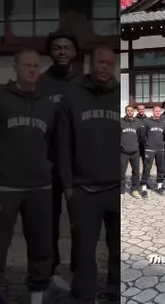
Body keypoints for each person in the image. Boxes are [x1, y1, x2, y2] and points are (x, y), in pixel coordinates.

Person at [0, 50, 56, 304]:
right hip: (4, 186)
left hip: (40, 187)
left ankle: (36, 296)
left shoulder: (47, 102)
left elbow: (52, 141)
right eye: (26, 65)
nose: (32, 69)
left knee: (41, 245)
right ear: (16, 68)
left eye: (36, 65)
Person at [57, 46, 120, 303]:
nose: (104, 67)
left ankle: (115, 291)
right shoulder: (72, 95)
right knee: (83, 252)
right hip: (84, 191)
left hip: (117, 189)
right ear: (90, 65)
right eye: (99, 63)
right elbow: (63, 143)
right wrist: (68, 186)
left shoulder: (121, 97)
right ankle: (83, 297)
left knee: (118, 250)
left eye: (108, 63)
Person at [36, 30, 80, 276]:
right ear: (50, 52)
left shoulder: (83, 83)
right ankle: (49, 270)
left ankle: (78, 269)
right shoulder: (41, 83)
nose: (62, 52)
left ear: (74, 52)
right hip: (47, 162)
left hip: (77, 163)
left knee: (80, 221)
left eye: (66, 48)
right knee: (48, 221)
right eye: (57, 48)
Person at [141, 106, 165, 195]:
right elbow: (143, 136)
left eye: (159, 111)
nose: (158, 112)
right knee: (147, 167)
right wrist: (147, 145)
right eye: (156, 111)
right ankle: (144, 187)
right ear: (153, 112)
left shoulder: (163, 123)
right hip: (149, 148)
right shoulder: (147, 121)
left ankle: (159, 186)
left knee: (161, 168)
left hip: (160, 149)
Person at [122, 106, 143, 198]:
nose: (129, 112)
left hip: (135, 152)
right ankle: (121, 190)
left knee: (136, 172)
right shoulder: (120, 122)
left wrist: (136, 146)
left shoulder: (138, 123)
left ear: (133, 112)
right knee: (121, 172)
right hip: (123, 152)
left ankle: (135, 190)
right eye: (128, 111)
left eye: (131, 111)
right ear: (125, 111)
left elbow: (140, 137)